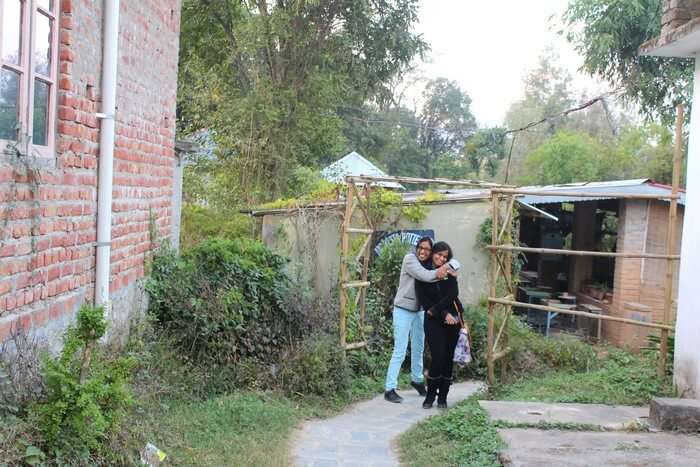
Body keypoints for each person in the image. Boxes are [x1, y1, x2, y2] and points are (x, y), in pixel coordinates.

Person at [383, 236, 452, 403]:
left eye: (427, 249)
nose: (423, 251)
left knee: (418, 348)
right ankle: (389, 388)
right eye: (421, 247)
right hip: (403, 310)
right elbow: (425, 276)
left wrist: (449, 269)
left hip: (419, 311)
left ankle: (417, 380)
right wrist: (443, 271)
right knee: (400, 350)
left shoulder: (429, 264)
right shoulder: (410, 260)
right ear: (417, 247)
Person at [415, 241, 462, 409]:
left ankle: (443, 397)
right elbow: (424, 300)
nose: (441, 259)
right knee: (438, 357)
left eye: (445, 257)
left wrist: (448, 314)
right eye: (439, 254)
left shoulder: (449, 272)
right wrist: (442, 313)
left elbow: (453, 295)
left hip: (453, 320)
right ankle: (429, 397)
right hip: (434, 319)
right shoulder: (423, 272)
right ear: (433, 253)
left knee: (448, 359)